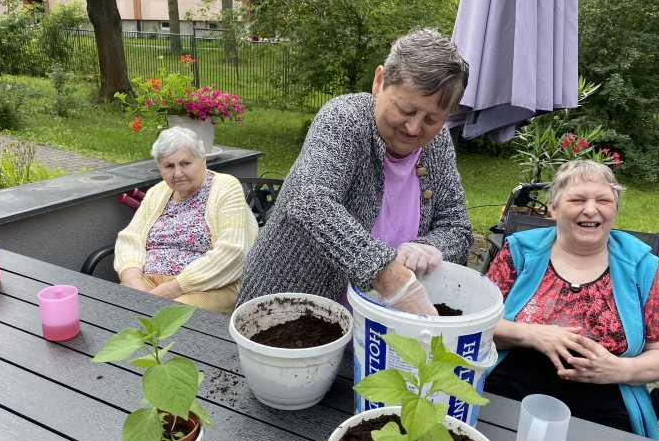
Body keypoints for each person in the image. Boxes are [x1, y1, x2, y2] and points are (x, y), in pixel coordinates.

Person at [237, 28, 473, 315]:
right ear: (379, 82)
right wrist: (388, 274)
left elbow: (456, 228)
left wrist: (429, 248)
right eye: (406, 110)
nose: (414, 128)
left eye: (432, 118)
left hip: (380, 330)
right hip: (288, 313)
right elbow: (310, 202)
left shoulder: (437, 144)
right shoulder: (345, 118)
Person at [484, 160, 659, 439]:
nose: (591, 209)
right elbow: (477, 327)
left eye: (603, 200)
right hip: (513, 383)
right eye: (577, 199)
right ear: (553, 208)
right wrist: (532, 334)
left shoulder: (641, 266)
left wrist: (618, 369)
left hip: (606, 395)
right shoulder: (520, 252)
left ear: (614, 209)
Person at [114, 126, 258, 314]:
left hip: (208, 285)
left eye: (185, 163)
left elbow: (233, 250)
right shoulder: (158, 191)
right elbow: (131, 237)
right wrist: (132, 279)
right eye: (169, 166)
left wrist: (174, 287)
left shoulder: (225, 187)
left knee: (164, 320)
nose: (177, 173)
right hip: (149, 281)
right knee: (117, 309)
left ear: (203, 160)